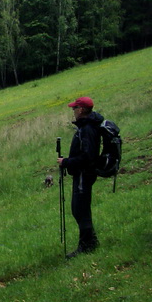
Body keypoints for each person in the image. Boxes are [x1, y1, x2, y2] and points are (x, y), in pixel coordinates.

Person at [57, 96, 104, 258]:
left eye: (74, 108)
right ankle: (90, 241)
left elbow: (87, 157)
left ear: (82, 110)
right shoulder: (86, 126)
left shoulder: (87, 129)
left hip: (84, 174)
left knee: (80, 210)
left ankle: (87, 245)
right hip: (83, 174)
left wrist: (66, 162)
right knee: (79, 209)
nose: (73, 111)